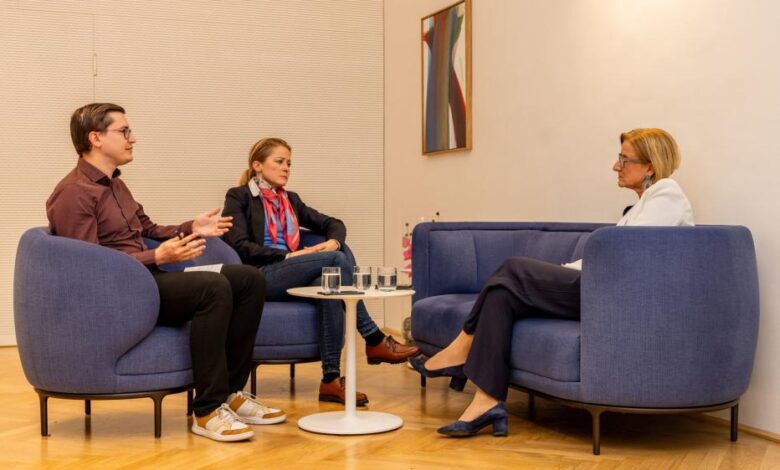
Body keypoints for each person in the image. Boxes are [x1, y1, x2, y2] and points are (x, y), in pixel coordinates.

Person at [410, 128, 694, 437]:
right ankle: (487, 402)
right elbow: (615, 253)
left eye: (624, 159)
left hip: (614, 296)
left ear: (650, 166)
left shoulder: (667, 193)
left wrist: (566, 272)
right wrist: (566, 269)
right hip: (603, 287)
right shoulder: (642, 204)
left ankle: (462, 346)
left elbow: (628, 254)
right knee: (502, 294)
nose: (616, 166)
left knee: (512, 269)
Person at [46, 103, 284, 443]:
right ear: (95, 138)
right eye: (124, 131)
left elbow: (147, 227)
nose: (132, 138)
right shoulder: (73, 192)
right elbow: (88, 266)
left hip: (147, 280)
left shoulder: (116, 186)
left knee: (248, 279)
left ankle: (231, 393)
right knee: (212, 287)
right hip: (120, 293)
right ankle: (207, 409)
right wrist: (155, 256)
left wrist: (191, 227)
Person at [222, 137, 420, 405]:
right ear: (257, 165)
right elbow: (239, 245)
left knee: (329, 283)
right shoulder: (239, 196)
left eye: (289, 163)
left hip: (289, 273)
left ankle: (330, 380)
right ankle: (374, 338)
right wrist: (288, 255)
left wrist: (334, 241)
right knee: (336, 261)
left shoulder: (290, 200)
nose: (286, 168)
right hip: (260, 275)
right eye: (279, 162)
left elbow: (333, 223)